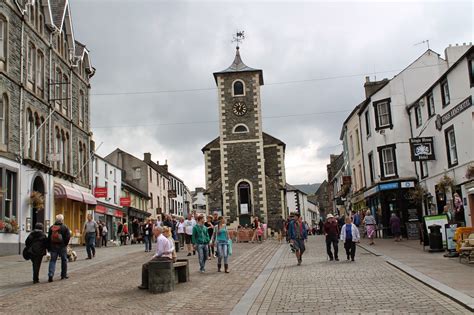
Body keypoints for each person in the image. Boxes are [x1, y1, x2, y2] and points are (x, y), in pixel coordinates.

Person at [48, 214, 71, 282]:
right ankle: (63, 275)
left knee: (52, 260)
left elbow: (49, 238)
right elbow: (68, 237)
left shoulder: (51, 227)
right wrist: (65, 244)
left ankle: (51, 274)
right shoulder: (65, 227)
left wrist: (49, 246)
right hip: (62, 246)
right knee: (64, 260)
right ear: (62, 220)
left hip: (53, 247)